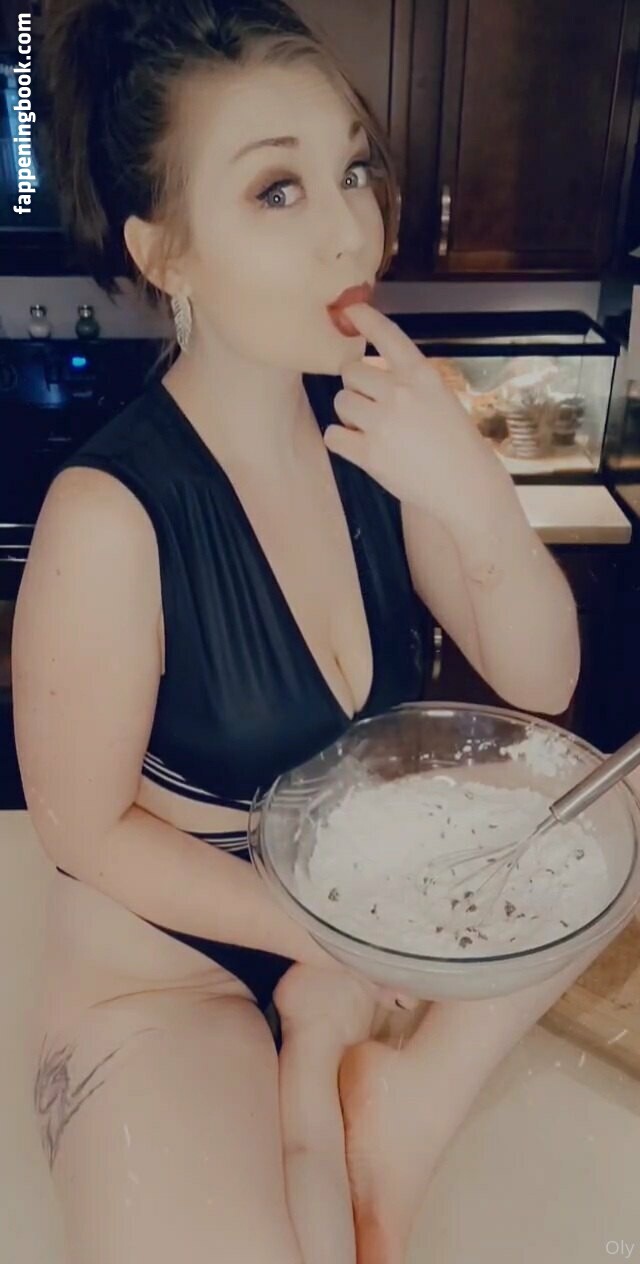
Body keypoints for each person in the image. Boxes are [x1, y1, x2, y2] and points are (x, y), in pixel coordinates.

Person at [11, 3, 622, 1262]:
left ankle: (395, 1103)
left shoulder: (381, 428)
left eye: (351, 168)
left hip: (358, 914)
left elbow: (542, 675)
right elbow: (81, 829)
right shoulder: (109, 514)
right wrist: (335, 935)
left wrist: (472, 490)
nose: (351, 226)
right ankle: (320, 1047)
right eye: (276, 190)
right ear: (166, 252)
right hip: (167, 970)